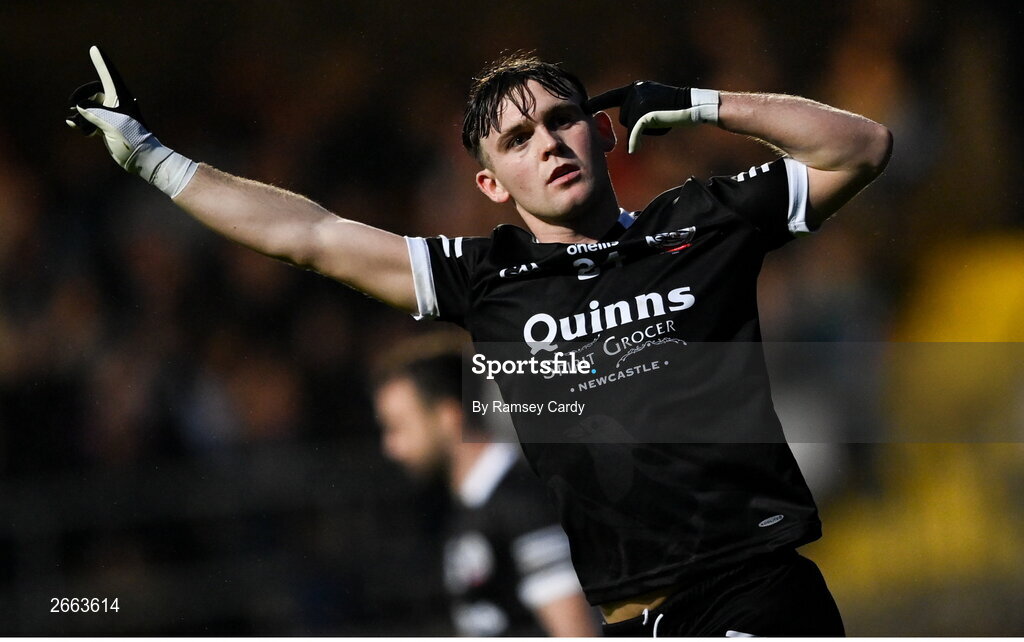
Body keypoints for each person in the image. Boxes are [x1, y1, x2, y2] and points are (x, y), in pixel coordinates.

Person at [68, 45, 891, 636]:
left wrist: (706, 104)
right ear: (492, 184)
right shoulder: (488, 278)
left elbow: (863, 147)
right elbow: (310, 236)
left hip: (755, 589)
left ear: (601, 134)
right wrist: (152, 161)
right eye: (518, 139)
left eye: (564, 119)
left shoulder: (701, 222)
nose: (550, 143)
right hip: (635, 619)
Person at [370, 331, 598, 636]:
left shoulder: (523, 503)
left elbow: (575, 633)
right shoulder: (472, 506)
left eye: (398, 427)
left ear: (448, 417)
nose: (390, 447)